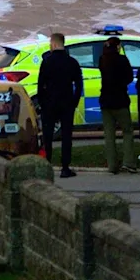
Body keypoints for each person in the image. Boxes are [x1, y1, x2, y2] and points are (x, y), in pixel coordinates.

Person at [37, 32, 83, 178]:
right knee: (66, 136)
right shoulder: (72, 62)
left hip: (49, 103)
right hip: (67, 103)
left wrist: (42, 101)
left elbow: (40, 85)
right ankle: (65, 167)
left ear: (54, 44)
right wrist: (74, 101)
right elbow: (79, 84)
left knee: (48, 135)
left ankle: (47, 165)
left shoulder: (47, 62)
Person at [98, 37, 137, 174]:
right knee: (127, 131)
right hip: (120, 100)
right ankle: (129, 162)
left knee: (109, 134)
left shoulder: (102, 60)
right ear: (118, 47)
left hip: (105, 100)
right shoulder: (122, 60)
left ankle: (112, 165)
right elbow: (129, 78)